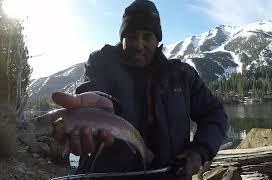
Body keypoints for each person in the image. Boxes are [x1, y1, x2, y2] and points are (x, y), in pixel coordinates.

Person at [51, 0, 228, 179]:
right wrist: (94, 107)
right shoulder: (100, 64)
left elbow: (215, 113)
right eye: (132, 36)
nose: (139, 44)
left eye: (147, 36)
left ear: (158, 40)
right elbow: (91, 92)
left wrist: (200, 150)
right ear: (122, 38)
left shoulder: (182, 75)